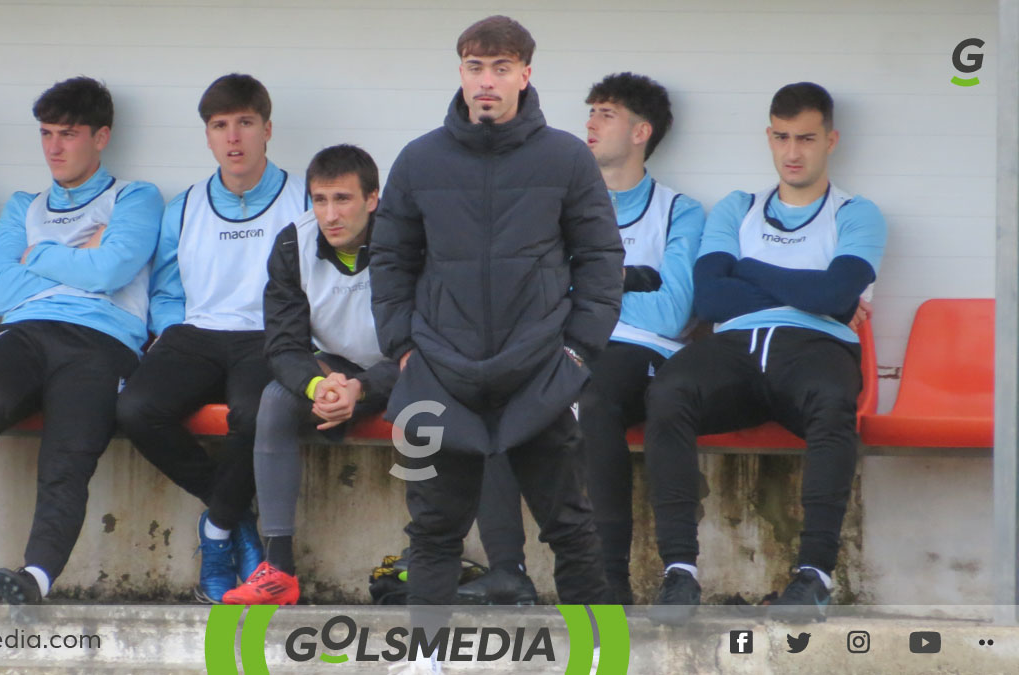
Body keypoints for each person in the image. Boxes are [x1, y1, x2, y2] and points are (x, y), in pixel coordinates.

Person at [370, 15, 624, 610]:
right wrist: (403, 349)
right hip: (437, 377)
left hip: (539, 373)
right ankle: (425, 659)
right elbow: (390, 259)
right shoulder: (418, 160)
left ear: (525, 74)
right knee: (431, 534)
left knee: (571, 529)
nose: (487, 81)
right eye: (476, 67)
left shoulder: (566, 158)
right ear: (461, 72)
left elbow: (601, 257)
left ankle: (602, 658)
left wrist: (577, 350)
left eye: (501, 68)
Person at [644, 82, 886, 625]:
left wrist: (746, 271)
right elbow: (710, 296)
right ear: (769, 139)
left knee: (832, 403)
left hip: (816, 350)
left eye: (806, 138)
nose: (793, 152)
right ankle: (679, 572)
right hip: (732, 349)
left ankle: (815, 576)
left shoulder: (857, 213)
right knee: (669, 390)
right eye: (781, 138)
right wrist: (813, 290)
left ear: (831, 140)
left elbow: (834, 295)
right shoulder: (739, 207)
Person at [463, 72, 704, 606]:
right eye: (590, 110)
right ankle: (509, 571)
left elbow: (670, 310)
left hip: (639, 352)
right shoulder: (556, 204)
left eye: (606, 113)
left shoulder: (677, 211)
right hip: (560, 344)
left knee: (590, 399)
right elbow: (526, 293)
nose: (589, 123)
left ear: (641, 132)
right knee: (486, 396)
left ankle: (608, 583)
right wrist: (615, 282)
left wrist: (581, 288)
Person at [0, 76, 163, 603]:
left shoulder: (135, 197)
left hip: (101, 340)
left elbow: (112, 268)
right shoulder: (23, 206)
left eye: (68, 134)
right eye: (46, 134)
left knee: (69, 451)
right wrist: (82, 256)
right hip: (25, 332)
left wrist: (35, 256)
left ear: (100, 137)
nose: (54, 147)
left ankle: (36, 576)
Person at [115, 73, 307, 604]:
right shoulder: (185, 205)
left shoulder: (304, 199)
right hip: (198, 333)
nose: (234, 137)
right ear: (208, 137)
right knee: (135, 408)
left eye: (245, 122)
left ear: (267, 129)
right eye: (220, 126)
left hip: (269, 335)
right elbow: (168, 290)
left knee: (253, 414)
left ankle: (217, 534)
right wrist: (175, 332)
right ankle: (236, 517)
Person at [221, 144, 398, 605]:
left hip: (401, 366)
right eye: (319, 200)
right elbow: (282, 345)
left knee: (432, 411)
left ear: (372, 199)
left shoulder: (407, 240)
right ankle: (279, 570)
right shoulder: (290, 244)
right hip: (336, 369)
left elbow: (428, 341)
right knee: (276, 398)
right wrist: (320, 386)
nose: (330, 214)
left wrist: (363, 388)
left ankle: (429, 555)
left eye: (343, 199)